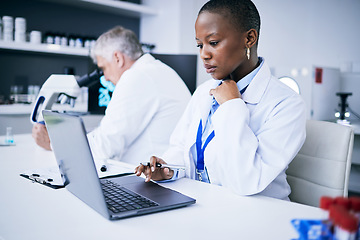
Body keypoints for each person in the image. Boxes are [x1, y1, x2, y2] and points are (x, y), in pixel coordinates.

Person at [135, 0, 306, 200]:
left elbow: (247, 181)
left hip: (256, 216)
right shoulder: (204, 91)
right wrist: (168, 169)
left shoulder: (287, 104)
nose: (204, 54)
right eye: (199, 45)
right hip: (205, 204)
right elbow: (181, 148)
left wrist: (232, 105)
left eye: (213, 43)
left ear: (249, 38)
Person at [32, 26, 191, 165]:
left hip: (152, 183)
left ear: (117, 58)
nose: (105, 78)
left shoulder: (137, 76)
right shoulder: (157, 70)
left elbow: (104, 146)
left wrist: (53, 143)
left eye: (104, 68)